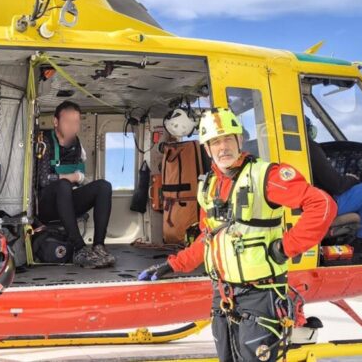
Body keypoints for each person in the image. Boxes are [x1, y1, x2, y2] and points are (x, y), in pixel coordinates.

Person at [139, 108, 337, 362]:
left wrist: (286, 247)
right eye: (215, 142)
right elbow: (208, 237)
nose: (223, 147)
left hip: (260, 294)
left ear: (239, 141)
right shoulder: (208, 186)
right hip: (222, 294)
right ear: (207, 149)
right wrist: (172, 265)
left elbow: (323, 205)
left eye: (228, 139)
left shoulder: (266, 175)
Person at [35, 101, 115, 269]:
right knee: (63, 185)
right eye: (68, 122)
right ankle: (79, 249)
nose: (73, 127)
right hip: (46, 205)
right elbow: (43, 180)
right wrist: (73, 176)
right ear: (56, 122)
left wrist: (79, 179)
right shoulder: (44, 141)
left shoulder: (76, 144)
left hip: (68, 202)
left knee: (103, 186)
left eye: (76, 122)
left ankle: (99, 246)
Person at [304, 117, 362, 256]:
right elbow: (337, 185)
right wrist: (351, 179)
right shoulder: (310, 147)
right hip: (322, 205)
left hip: (305, 204)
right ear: (308, 130)